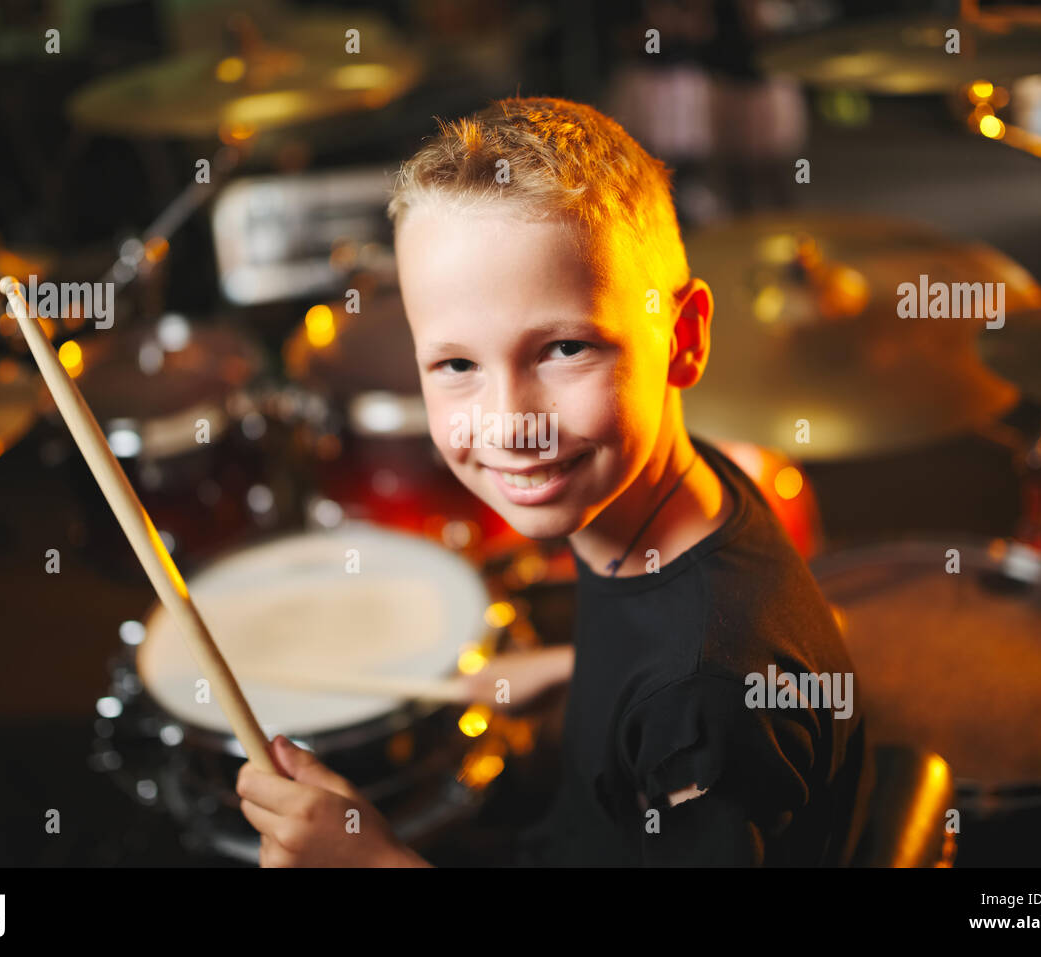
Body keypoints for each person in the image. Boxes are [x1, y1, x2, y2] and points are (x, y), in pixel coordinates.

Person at [236, 96, 874, 867]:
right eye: (457, 365)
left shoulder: (701, 703)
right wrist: (580, 673)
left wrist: (375, 862)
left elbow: (699, 680)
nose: (512, 425)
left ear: (685, 339)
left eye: (565, 349)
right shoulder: (666, 497)